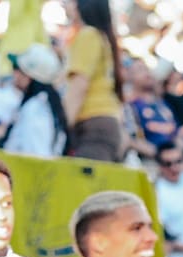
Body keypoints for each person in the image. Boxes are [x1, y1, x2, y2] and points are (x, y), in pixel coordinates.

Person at [62, 0, 124, 162]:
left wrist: (62, 126)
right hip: (106, 123)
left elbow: (79, 86)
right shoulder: (102, 37)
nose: (65, 5)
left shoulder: (88, 35)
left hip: (92, 123)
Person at [1, 43, 69, 157]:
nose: (14, 73)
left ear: (28, 76)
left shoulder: (36, 108)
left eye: (16, 68)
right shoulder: (45, 104)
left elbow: (36, 155)